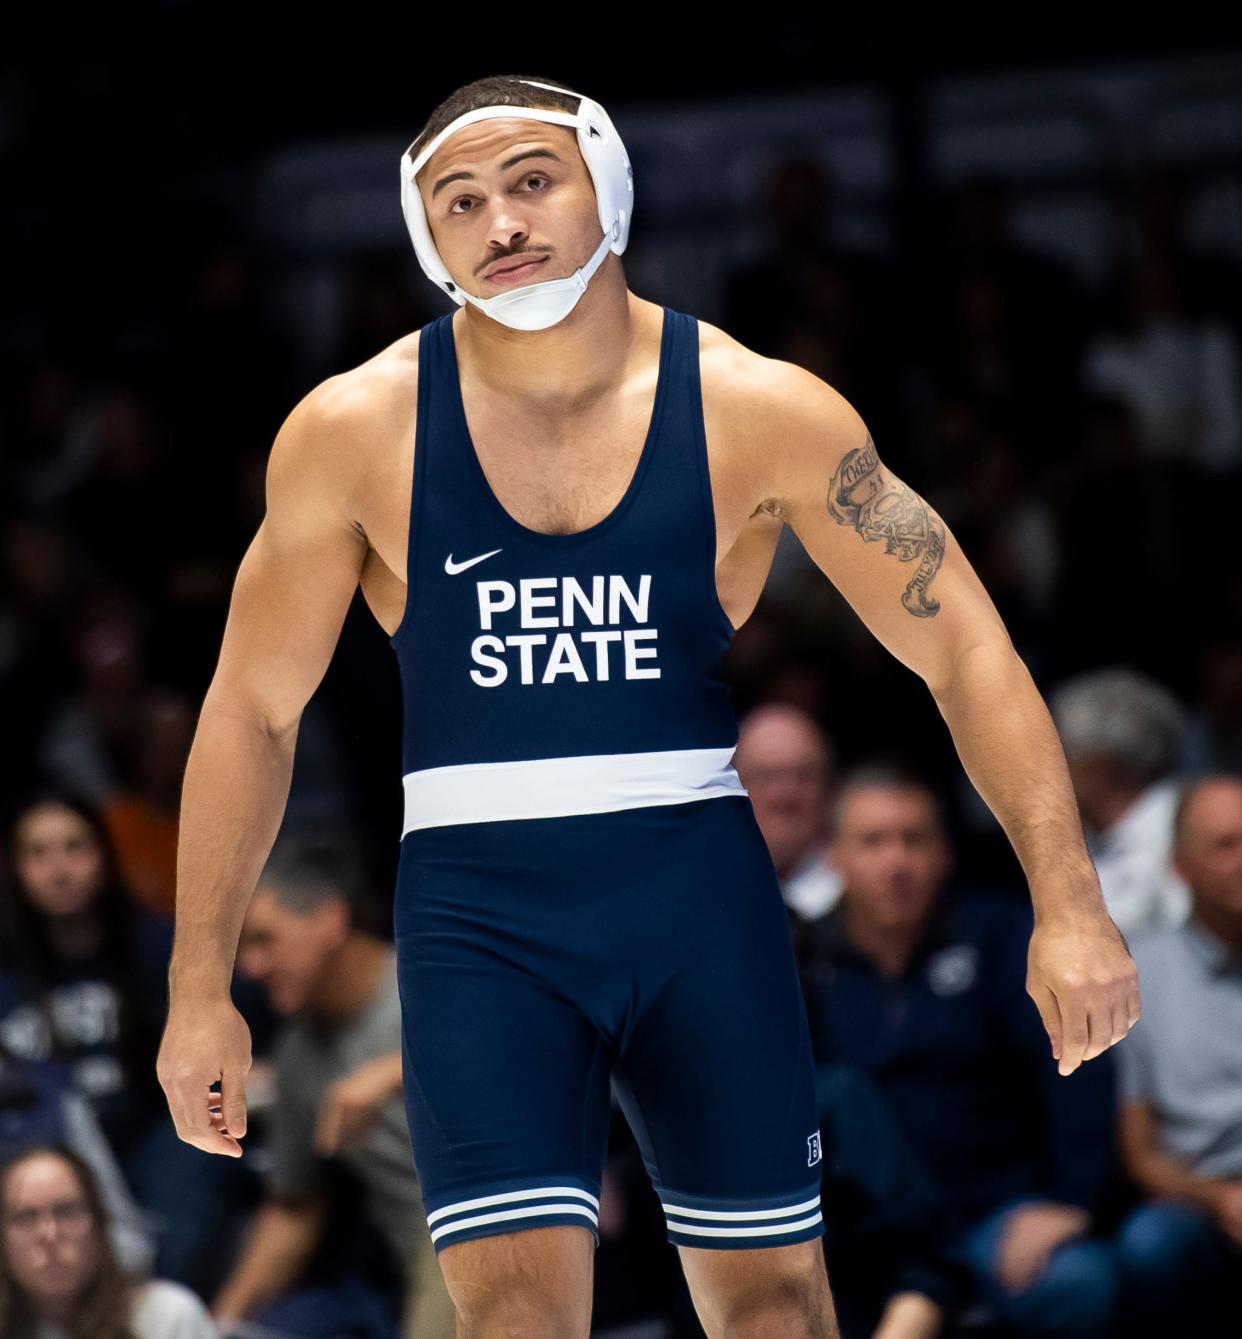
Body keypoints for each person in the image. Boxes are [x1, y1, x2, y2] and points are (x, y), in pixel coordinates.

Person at [156, 72, 1138, 1339]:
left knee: (777, 1306)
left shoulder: (758, 408)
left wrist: (1069, 901)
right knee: (512, 1315)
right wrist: (198, 987)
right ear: (426, 240)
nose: (500, 222)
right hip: (479, 913)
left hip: (694, 897)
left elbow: (967, 652)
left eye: (530, 181)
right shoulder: (352, 432)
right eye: (460, 202)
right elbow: (249, 712)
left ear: (607, 186)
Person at [803, 763, 1123, 1339]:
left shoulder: (1002, 936)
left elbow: (1076, 1069)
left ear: (945, 853)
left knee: (1080, 1283)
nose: (895, 862)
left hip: (996, 1214)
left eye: (914, 839)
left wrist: (1072, 1201)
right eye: (873, 842)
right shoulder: (803, 958)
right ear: (835, 857)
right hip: (870, 1230)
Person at [211, 833, 454, 1338]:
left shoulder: (433, 984)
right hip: (412, 1265)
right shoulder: (299, 1056)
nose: (250, 968)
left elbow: (555, 1058)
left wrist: (396, 1071)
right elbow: (297, 1207)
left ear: (329, 918)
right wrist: (220, 1321)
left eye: (263, 939)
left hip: (490, 1217)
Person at [1111, 773, 1242, 1334]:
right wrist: (1219, 1198)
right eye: (1225, 845)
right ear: (1178, 866)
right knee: (1150, 1247)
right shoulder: (1138, 976)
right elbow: (1140, 1153)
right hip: (1200, 1198)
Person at [0, 1142, 219, 1339]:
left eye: (66, 1212)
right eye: (26, 1217)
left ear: (100, 1224)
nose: (50, 1234)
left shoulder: (169, 1317)